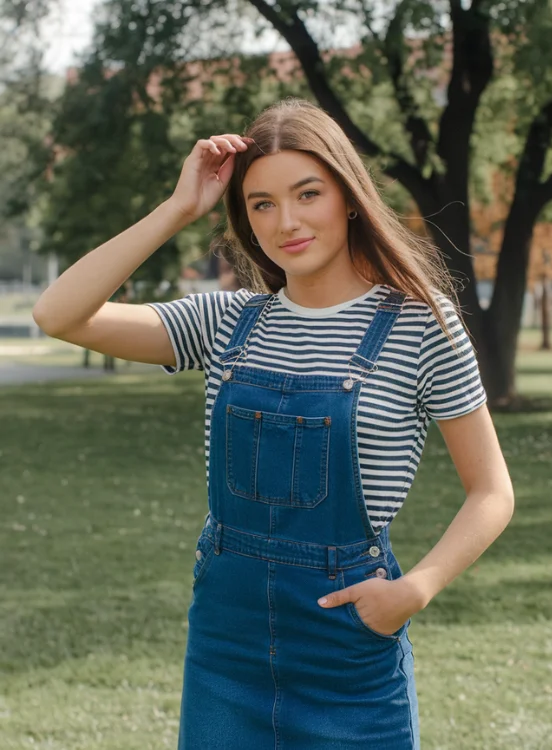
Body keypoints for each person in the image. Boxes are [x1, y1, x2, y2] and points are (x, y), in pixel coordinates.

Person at [33, 97, 515, 749]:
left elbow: (491, 490)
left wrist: (416, 588)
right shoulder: (226, 321)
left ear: (347, 196)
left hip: (347, 647)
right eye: (261, 203)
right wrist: (178, 208)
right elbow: (58, 314)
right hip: (226, 642)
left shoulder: (420, 326)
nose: (284, 221)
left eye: (306, 193)